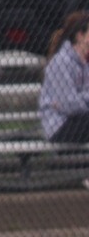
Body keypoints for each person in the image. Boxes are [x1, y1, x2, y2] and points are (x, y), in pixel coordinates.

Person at [40, 11, 89, 145]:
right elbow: (69, 105)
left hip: (80, 119)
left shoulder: (85, 63)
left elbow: (71, 102)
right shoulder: (61, 61)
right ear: (80, 36)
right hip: (60, 125)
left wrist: (81, 98)